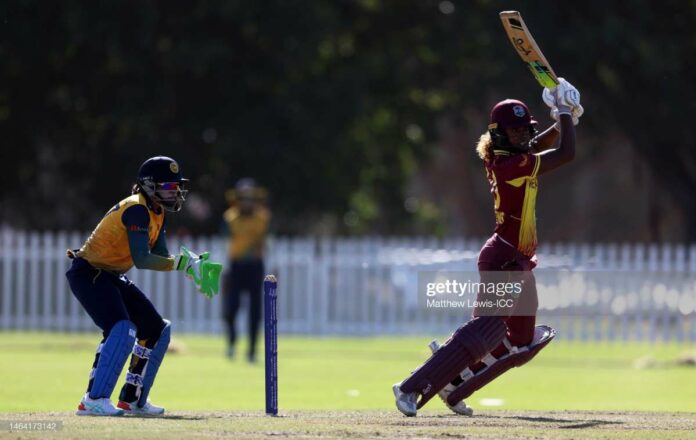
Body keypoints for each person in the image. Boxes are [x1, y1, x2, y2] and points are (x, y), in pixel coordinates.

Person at [392, 79, 583, 416]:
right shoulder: (512, 166)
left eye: (526, 130)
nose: (524, 136)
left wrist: (564, 121)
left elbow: (540, 145)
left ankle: (453, 385)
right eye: (516, 131)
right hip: (504, 259)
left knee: (523, 341)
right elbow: (566, 154)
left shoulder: (509, 157)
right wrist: (565, 112)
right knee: (488, 329)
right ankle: (410, 388)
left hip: (516, 258)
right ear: (499, 134)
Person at [66, 156, 222, 416]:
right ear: (150, 186)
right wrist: (182, 264)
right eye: (170, 187)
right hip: (89, 272)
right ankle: (93, 399)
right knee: (121, 327)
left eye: (177, 187)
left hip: (110, 275)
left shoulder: (156, 211)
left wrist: (190, 262)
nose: (176, 192)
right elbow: (142, 259)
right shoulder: (137, 209)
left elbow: (161, 255)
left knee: (157, 330)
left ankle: (133, 399)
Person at [222, 178, 271, 362]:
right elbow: (224, 244)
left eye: (250, 198)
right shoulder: (230, 217)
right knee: (231, 308)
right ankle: (232, 344)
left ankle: (251, 351)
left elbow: (268, 242)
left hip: (255, 267)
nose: (247, 202)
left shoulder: (263, 217)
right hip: (235, 266)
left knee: (255, 311)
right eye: (244, 198)